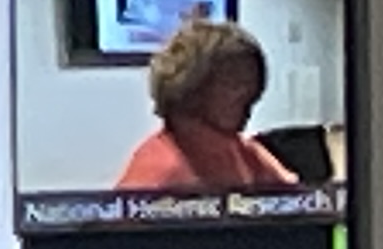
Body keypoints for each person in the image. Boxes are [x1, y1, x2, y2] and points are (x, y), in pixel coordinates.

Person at [116, 13, 301, 194]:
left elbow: (298, 203)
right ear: (193, 85)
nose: (249, 92)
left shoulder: (241, 150)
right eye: (234, 82)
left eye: (252, 81)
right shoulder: (158, 173)